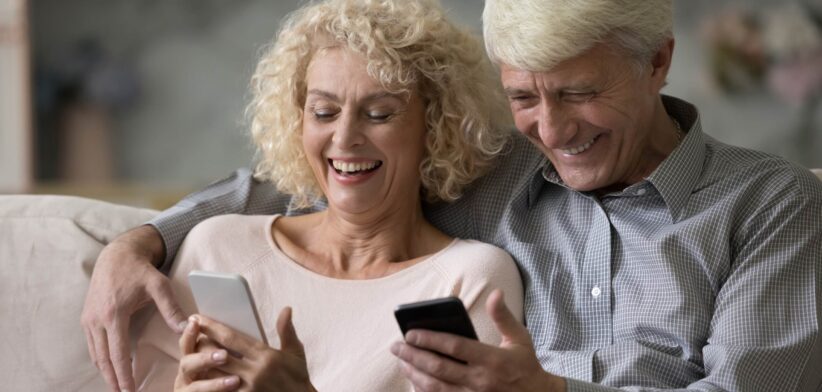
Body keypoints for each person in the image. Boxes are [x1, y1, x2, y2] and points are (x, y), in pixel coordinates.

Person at [83, 0, 822, 390]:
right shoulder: (496, 165)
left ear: (658, 63)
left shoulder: (771, 207)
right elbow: (328, 168)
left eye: (579, 93)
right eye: (525, 97)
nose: (554, 130)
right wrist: (140, 240)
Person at [113, 0, 524, 391]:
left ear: (436, 126)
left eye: (379, 114)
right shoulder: (218, 248)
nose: (344, 139)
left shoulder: (469, 278)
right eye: (324, 113)